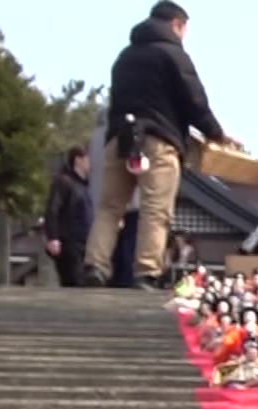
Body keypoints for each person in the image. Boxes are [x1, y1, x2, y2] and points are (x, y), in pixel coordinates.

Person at [85, 1, 239, 290]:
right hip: (158, 140)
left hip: (120, 139)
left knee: (109, 207)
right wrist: (217, 134)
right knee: (155, 208)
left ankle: (95, 265)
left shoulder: (124, 57)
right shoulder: (173, 54)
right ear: (177, 25)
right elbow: (195, 101)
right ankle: (146, 271)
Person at [43, 148, 91, 287]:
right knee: (73, 282)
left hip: (84, 243)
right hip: (69, 242)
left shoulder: (84, 186)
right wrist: (53, 237)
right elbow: (52, 209)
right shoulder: (64, 182)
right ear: (78, 160)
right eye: (88, 158)